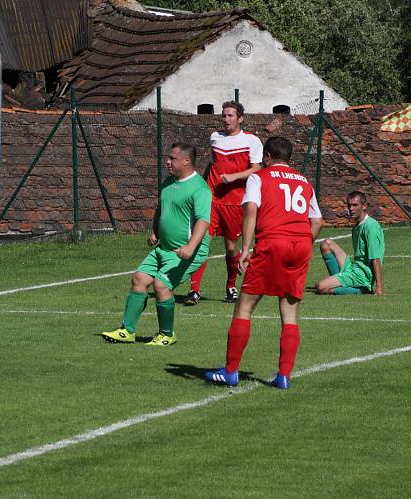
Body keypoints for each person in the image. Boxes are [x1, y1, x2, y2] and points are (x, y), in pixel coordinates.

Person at [205, 136, 323, 389]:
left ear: (267, 157)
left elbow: (250, 210)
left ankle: (231, 371)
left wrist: (246, 249)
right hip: (301, 244)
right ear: (289, 157)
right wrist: (302, 240)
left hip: (273, 242)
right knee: (290, 311)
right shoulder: (304, 182)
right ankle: (283, 376)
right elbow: (318, 220)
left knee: (245, 306)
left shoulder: (260, 177)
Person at [100, 143, 211, 346]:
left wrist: (190, 247)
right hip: (163, 248)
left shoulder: (200, 188)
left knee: (161, 285)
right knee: (139, 279)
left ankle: (167, 335)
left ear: (186, 161)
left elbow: (203, 221)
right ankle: (127, 331)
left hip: (186, 251)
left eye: (173, 158)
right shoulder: (168, 183)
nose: (168, 162)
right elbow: (161, 209)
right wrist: (154, 230)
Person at [186, 101, 263, 306]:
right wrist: (201, 188)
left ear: (240, 118)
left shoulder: (251, 141)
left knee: (231, 248)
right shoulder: (215, 138)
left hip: (235, 202)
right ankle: (194, 290)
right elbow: (212, 165)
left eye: (230, 116)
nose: (226, 119)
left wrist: (235, 177)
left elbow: (257, 169)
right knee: (202, 243)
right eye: (224, 116)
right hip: (211, 200)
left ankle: (230, 286)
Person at [314, 191, 385, 296]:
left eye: (355, 205)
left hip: (362, 275)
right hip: (354, 267)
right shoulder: (356, 227)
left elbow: (375, 258)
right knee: (326, 244)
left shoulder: (371, 226)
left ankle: (361, 290)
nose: (351, 209)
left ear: (364, 206)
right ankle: (341, 280)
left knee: (320, 287)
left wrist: (379, 287)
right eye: (349, 205)